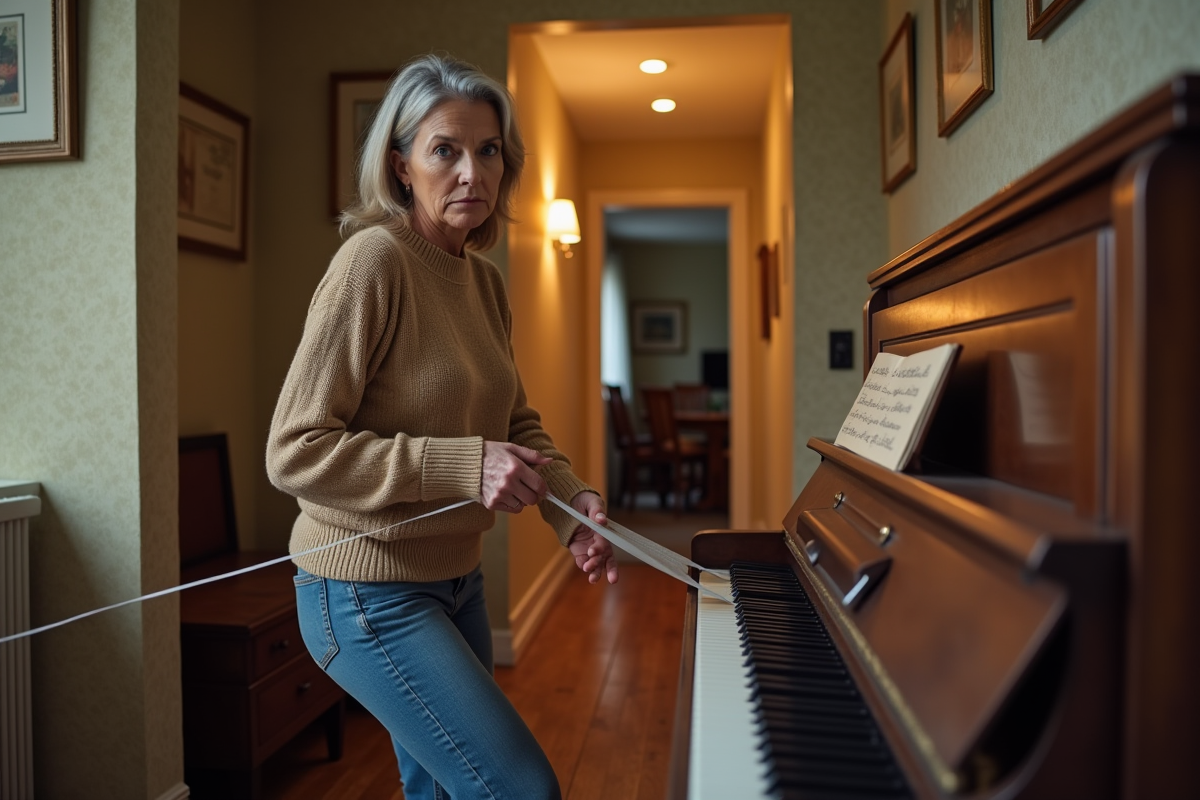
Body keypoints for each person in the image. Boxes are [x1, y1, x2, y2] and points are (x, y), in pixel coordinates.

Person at [266, 52, 618, 800]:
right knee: (523, 789)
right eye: (445, 150)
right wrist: (461, 466)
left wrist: (572, 508)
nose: (472, 172)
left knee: (441, 790)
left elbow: (515, 420)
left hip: (457, 581)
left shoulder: (483, 282)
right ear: (400, 167)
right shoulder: (374, 262)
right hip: (361, 592)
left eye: (488, 151)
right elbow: (293, 451)